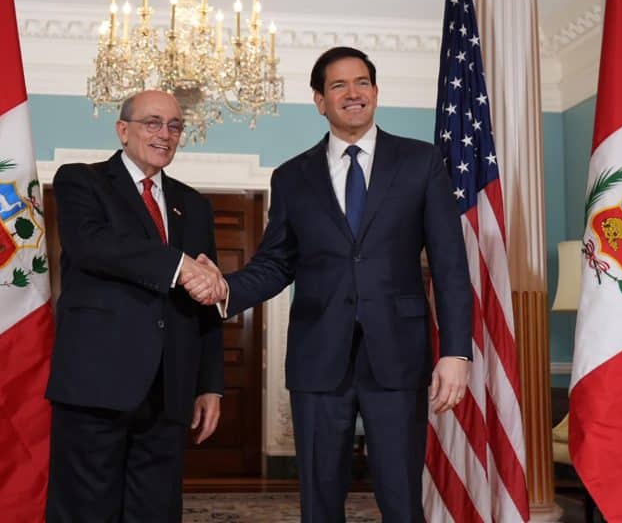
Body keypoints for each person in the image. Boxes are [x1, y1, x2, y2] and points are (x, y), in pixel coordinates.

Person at [193, 47, 472, 522]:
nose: (353, 93)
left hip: (399, 355)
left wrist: (456, 353)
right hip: (318, 358)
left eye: (362, 82)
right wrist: (225, 289)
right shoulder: (291, 176)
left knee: (402, 499)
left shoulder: (421, 162)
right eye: (338, 85)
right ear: (320, 101)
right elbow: (276, 263)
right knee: (319, 501)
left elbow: (450, 265)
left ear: (376, 92)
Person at [45, 90, 224, 523]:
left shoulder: (194, 205)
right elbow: (94, 246)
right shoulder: (80, 181)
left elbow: (206, 300)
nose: (166, 134)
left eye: (175, 126)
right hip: (96, 386)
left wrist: (210, 385)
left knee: (156, 513)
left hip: (170, 390)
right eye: (153, 123)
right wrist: (178, 265)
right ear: (123, 130)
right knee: (86, 513)